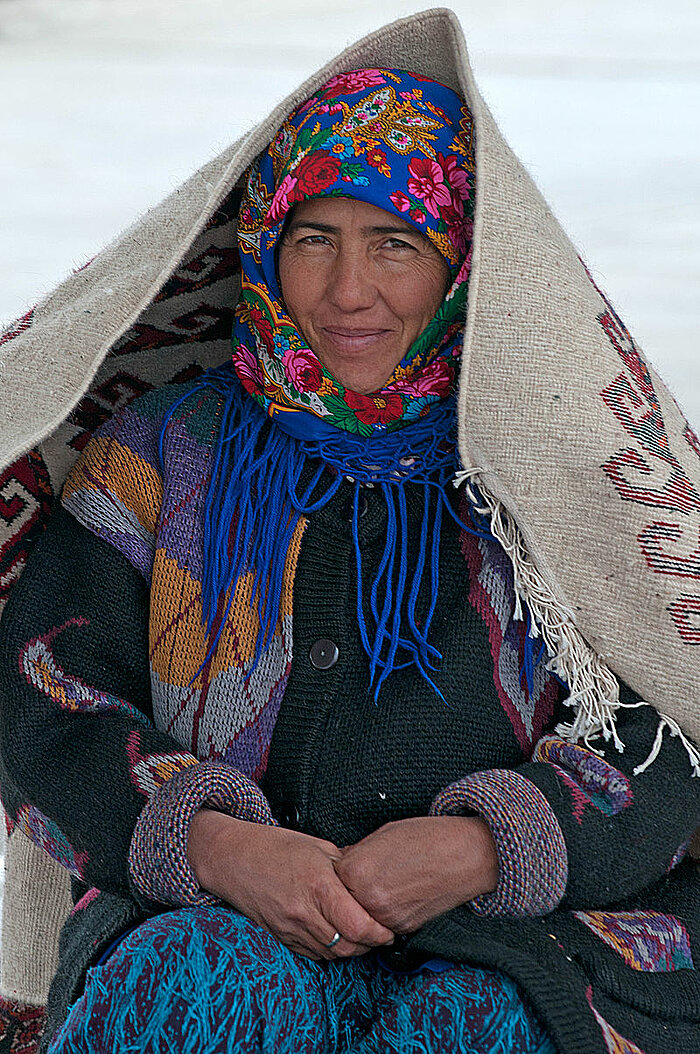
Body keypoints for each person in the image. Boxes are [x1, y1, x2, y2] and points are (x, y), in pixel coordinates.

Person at [1, 13, 700, 1054]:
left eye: (395, 243)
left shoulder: (552, 461)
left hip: (526, 944)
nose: (346, 291)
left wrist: (484, 846)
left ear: (463, 261)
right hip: (205, 921)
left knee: (475, 1025)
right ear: (262, 245)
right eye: (313, 237)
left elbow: (673, 722)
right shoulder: (160, 453)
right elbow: (40, 699)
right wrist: (217, 844)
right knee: (190, 988)